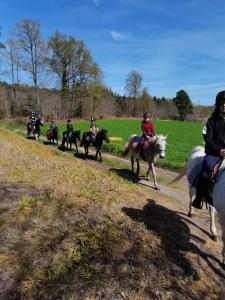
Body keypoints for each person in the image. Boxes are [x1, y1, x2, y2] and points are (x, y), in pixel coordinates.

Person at [192, 90, 225, 209]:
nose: (224, 105)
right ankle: (199, 198)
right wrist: (220, 151)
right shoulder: (210, 121)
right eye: (222, 103)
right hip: (214, 153)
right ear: (218, 105)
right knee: (207, 172)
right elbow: (208, 140)